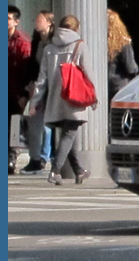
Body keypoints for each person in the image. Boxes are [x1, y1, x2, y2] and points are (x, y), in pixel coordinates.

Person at [29, 15, 95, 185]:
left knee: (67, 134)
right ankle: (55, 171)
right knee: (69, 133)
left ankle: (79, 171)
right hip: (74, 98)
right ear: (76, 28)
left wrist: (35, 101)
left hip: (56, 99)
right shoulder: (80, 46)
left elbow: (41, 79)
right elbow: (88, 74)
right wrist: (93, 97)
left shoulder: (49, 48)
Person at [21, 10, 56, 174]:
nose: (37, 22)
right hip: (38, 85)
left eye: (40, 20)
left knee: (48, 124)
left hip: (52, 86)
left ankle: (44, 156)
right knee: (34, 120)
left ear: (49, 23)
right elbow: (32, 65)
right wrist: (29, 84)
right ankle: (35, 158)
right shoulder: (36, 42)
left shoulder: (54, 42)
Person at [8, 6, 32, 174]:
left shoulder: (22, 41)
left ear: (16, 21)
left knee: (13, 128)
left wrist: (24, 94)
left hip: (15, 93)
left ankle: (10, 160)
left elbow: (27, 69)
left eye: (8, 18)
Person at [107, 9, 139, 101]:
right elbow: (131, 68)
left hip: (106, 85)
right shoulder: (123, 43)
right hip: (120, 86)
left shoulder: (100, 42)